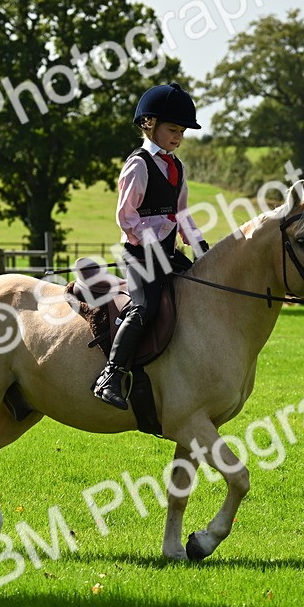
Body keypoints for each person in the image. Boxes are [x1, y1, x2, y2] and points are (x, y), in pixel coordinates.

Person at [92, 82, 209, 410]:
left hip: (167, 253)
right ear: (149, 124)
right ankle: (111, 375)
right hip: (139, 254)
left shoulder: (177, 167)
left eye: (182, 132)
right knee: (146, 307)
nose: (178, 137)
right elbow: (126, 217)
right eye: (173, 130)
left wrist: (199, 244)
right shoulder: (139, 164)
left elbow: (181, 212)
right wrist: (152, 244)